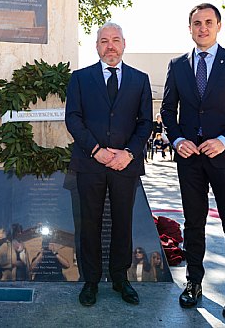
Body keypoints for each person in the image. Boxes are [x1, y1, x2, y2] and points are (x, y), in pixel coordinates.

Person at [160, 3, 225, 318]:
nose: (202, 28)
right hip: (189, 159)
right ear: (189, 28)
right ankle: (193, 283)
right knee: (193, 223)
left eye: (207, 22)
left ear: (218, 26)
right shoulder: (177, 66)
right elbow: (167, 110)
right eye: (196, 23)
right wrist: (177, 140)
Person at [65, 21, 153, 307]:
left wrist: (128, 153)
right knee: (89, 224)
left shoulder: (140, 80)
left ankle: (120, 278)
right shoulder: (80, 78)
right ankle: (90, 281)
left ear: (124, 44)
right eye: (104, 40)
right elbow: (73, 119)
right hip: (90, 164)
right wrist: (96, 150)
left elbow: (145, 123)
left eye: (116, 40)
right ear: (97, 46)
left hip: (125, 166)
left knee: (122, 223)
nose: (110, 45)